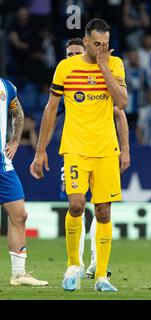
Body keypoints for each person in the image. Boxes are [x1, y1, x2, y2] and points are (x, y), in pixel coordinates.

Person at [30, 18, 128, 292]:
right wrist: (40, 152)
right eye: (96, 44)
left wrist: (104, 67)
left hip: (106, 149)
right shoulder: (66, 67)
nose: (101, 48)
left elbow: (121, 102)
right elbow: (51, 110)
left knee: (104, 211)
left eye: (106, 44)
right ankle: (73, 265)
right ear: (85, 41)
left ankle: (101, 277)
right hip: (75, 148)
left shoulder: (115, 64)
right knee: (75, 205)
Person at [0, 76, 48, 287]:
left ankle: (19, 275)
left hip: (2, 164)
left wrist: (15, 141)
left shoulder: (6, 87)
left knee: (19, 215)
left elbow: (18, 113)